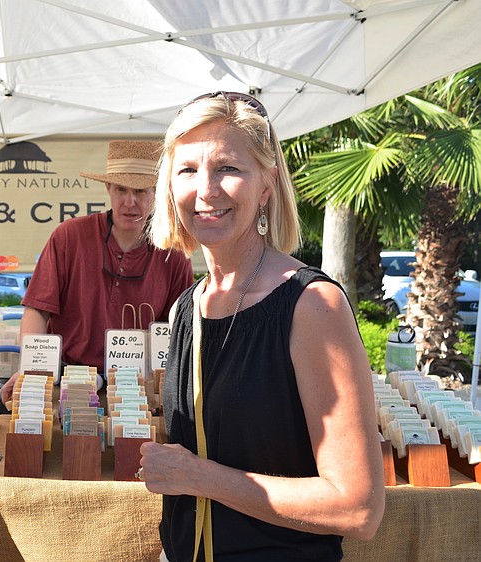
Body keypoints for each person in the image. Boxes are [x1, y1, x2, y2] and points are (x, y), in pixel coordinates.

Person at [139, 92, 385, 561]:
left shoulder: (312, 306)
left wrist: (198, 476)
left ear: (266, 186)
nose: (206, 189)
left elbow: (358, 508)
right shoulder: (187, 308)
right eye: (187, 170)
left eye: (228, 168)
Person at [0, 140, 194, 405]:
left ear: (157, 192)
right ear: (108, 188)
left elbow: (177, 330)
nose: (130, 201)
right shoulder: (70, 236)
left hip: (138, 386)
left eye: (140, 191)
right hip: (69, 379)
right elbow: (37, 309)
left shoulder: (174, 251)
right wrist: (30, 369)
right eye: (121, 189)